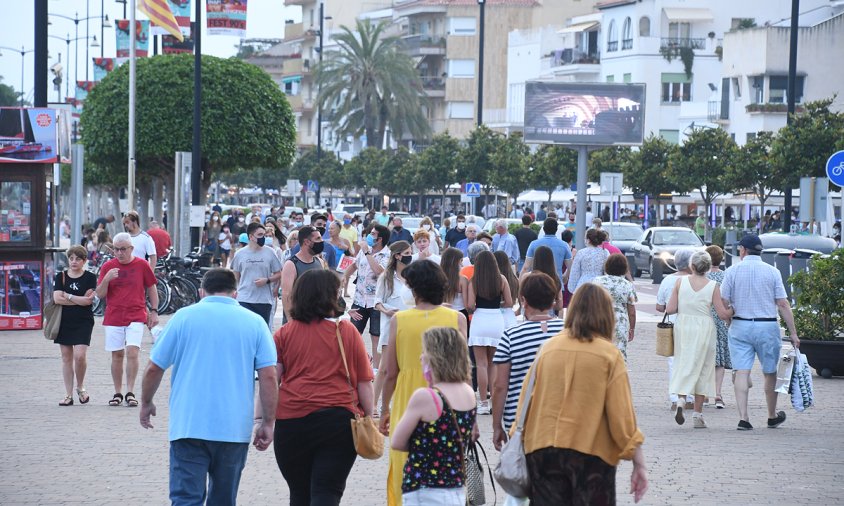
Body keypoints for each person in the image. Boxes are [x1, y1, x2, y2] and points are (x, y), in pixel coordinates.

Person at [139, 268, 277, 505]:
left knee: (185, 499)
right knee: (223, 500)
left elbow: (154, 368)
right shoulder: (254, 322)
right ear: (235, 293)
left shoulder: (183, 317)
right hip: (233, 429)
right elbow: (269, 377)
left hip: (189, 425)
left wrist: (146, 402)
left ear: (202, 291)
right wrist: (268, 422)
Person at [516, 283, 648, 505]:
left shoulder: (549, 348)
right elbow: (621, 414)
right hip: (591, 452)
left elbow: (525, 401)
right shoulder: (609, 355)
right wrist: (638, 461)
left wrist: (517, 438)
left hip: (543, 448)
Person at [273, 270, 375, 505]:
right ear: (329, 295)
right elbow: (363, 382)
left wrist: (263, 420)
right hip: (338, 420)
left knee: (299, 493)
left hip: (291, 421)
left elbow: (272, 380)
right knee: (327, 492)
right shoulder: (346, 331)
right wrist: (371, 417)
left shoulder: (284, 333)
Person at [379, 260, 468, 506]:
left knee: (403, 466)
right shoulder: (456, 318)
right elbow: (463, 368)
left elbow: (390, 372)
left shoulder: (400, 319)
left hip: (408, 399)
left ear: (414, 289)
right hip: (449, 402)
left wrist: (384, 408)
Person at [720, 234, 800, 430]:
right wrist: (793, 333)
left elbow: (724, 300)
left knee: (741, 371)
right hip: (767, 326)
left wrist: (730, 317)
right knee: (770, 372)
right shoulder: (772, 272)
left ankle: (744, 418)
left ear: (742, 250)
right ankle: (772, 415)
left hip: (740, 325)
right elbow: (782, 303)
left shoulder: (732, 271)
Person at [391, 327, 476, 506]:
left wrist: (423, 444)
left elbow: (397, 441)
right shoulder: (469, 393)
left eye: (425, 352)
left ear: (435, 358)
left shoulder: (426, 397)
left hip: (424, 488)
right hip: (456, 488)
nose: (421, 357)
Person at [492, 273, 563, 452]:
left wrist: (496, 426)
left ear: (523, 300)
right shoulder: (567, 332)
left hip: (519, 418)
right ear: (553, 301)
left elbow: (500, 385)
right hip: (560, 418)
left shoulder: (511, 336)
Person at [666, 251, 733, 428]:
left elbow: (670, 308)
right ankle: (697, 414)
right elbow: (721, 313)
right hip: (705, 327)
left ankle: (681, 400)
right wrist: (733, 310)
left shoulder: (680, 282)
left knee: (683, 363)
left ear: (692, 266)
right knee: (703, 368)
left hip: (684, 326)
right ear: (708, 267)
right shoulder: (713, 285)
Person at [96, 232, 159, 408]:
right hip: (114, 315)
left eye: (123, 249)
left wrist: (154, 311)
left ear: (132, 248)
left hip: (136, 314)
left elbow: (152, 289)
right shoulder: (108, 266)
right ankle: (118, 392)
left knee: (132, 351)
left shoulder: (142, 265)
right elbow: (99, 294)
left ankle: (130, 392)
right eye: (116, 249)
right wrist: (107, 279)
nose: (119, 253)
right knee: (117, 355)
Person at [467, 250, 513, 415]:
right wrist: (496, 303)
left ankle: (483, 403)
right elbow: (509, 302)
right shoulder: (501, 279)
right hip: (496, 320)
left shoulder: (474, 281)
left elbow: (470, 305)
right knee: (494, 364)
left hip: (479, 320)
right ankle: (495, 400)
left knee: (480, 364)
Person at [53, 245, 97, 406]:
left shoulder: (90, 277)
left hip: (83, 321)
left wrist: (69, 296)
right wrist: (79, 300)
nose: (74, 261)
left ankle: (80, 387)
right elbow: (57, 299)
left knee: (79, 356)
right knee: (66, 358)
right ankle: (68, 394)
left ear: (84, 261)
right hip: (64, 321)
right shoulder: (61, 276)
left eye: (78, 258)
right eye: (71, 258)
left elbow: (88, 301)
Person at [344, 224, 391, 372]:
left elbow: (379, 272)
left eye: (372, 234)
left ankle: (375, 369)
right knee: (352, 334)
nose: (369, 236)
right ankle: (355, 366)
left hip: (376, 302)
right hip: (359, 300)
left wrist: (366, 252)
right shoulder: (365, 252)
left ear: (380, 238)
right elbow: (354, 265)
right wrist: (344, 276)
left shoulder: (387, 254)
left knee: (376, 336)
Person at [374, 241, 415, 408]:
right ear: (397, 255)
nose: (409, 255)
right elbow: (377, 301)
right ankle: (373, 405)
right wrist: (386, 311)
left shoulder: (413, 276)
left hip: (410, 326)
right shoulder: (386, 277)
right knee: (384, 368)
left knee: (407, 366)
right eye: (406, 252)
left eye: (410, 252)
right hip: (390, 325)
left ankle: (403, 403)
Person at [656, 248, 696, 411]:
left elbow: (660, 307)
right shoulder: (696, 280)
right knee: (692, 361)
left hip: (672, 324)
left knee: (674, 362)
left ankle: (675, 398)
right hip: (693, 323)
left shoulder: (667, 281)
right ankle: (690, 398)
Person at [231, 222, 282, 327]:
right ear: (251, 237)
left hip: (264, 300)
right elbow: (236, 277)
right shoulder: (239, 254)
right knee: (245, 330)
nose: (263, 237)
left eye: (263, 234)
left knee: (261, 331)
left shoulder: (271, 252)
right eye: (260, 235)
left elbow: (279, 273)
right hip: (244, 299)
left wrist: (267, 280)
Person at [592, 254, 638, 360]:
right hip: (620, 321)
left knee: (599, 351)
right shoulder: (627, 285)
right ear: (624, 268)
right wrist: (632, 329)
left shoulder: (597, 281)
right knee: (619, 353)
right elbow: (632, 312)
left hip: (600, 318)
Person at [280, 225, 326, 323]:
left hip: (315, 319)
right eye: (318, 238)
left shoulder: (319, 262)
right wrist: (290, 320)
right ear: (306, 242)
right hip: (298, 319)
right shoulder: (291, 265)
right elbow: (286, 295)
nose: (321, 241)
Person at [705, 245, 731, 409]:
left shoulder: (702, 278)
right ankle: (718, 394)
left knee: (705, 359)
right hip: (721, 321)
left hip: (704, 320)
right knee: (719, 360)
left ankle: (706, 394)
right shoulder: (726, 277)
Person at [524, 218, 572, 286]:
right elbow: (570, 267)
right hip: (556, 284)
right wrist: (565, 276)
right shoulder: (564, 245)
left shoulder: (533, 244)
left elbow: (526, 267)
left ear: (543, 229)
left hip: (537, 284)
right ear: (556, 229)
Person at [518, 245, 564, 315]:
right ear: (551, 260)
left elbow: (521, 299)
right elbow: (559, 305)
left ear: (535, 259)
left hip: (530, 316)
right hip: (549, 316)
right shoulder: (555, 278)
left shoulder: (527, 277)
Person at [566, 228, 609, 293]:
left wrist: (572, 289)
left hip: (583, 285)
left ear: (588, 240)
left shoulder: (581, 252)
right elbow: (607, 271)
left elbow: (575, 272)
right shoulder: (605, 252)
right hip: (600, 285)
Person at [494, 250, 519, 329]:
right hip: (510, 315)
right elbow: (520, 302)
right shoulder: (514, 279)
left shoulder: (494, 280)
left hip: (495, 315)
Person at [440, 248, 469, 317]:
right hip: (460, 313)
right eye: (461, 261)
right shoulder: (463, 279)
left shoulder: (438, 278)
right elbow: (466, 304)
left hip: (443, 313)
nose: (462, 264)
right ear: (455, 262)